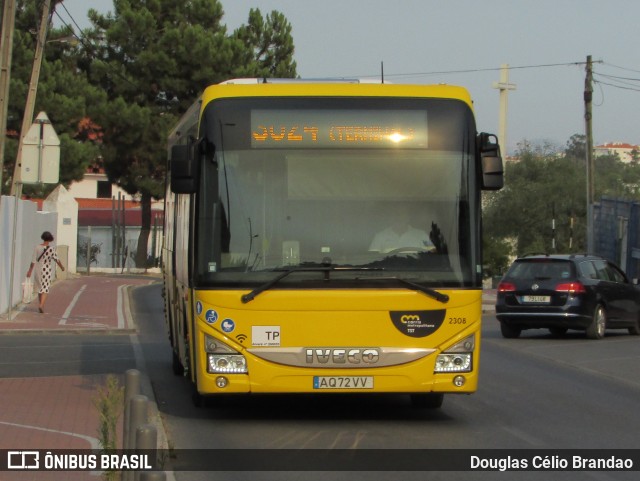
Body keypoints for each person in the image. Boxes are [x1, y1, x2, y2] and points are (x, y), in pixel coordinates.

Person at [26, 231, 65, 313]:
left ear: (43, 237)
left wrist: (30, 271)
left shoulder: (37, 247)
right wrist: (62, 267)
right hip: (47, 269)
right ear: (50, 239)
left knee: (40, 288)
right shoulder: (51, 249)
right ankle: (41, 305)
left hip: (38, 269)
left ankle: (41, 305)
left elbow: (33, 261)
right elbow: (57, 259)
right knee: (46, 288)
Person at [369, 208, 434, 254]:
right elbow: (372, 258)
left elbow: (433, 251)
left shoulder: (422, 235)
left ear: (408, 218)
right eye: (396, 215)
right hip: (389, 271)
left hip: (417, 270)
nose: (399, 217)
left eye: (402, 214)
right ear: (391, 218)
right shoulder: (380, 236)